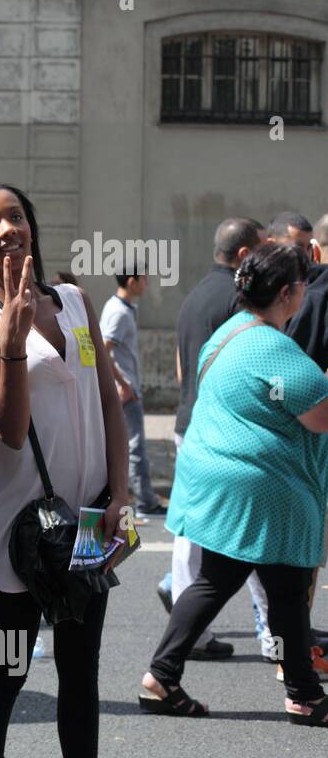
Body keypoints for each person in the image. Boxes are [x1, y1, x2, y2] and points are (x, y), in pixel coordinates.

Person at [0, 183, 129, 758]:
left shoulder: (77, 302)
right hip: (19, 535)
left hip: (86, 522)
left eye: (16, 216)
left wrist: (122, 489)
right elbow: (7, 427)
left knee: (81, 673)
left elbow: (108, 399)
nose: (7, 229)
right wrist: (14, 337)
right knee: (3, 676)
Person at [139, 242, 328, 727]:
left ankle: (163, 676)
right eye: (303, 284)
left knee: (222, 581)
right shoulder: (274, 347)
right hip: (261, 491)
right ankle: (303, 694)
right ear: (288, 293)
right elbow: (319, 418)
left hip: (221, 478)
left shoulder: (229, 332)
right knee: (279, 589)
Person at [167, 218, 266, 661]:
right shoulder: (238, 301)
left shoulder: (193, 296)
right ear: (245, 255)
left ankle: (183, 610)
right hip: (217, 429)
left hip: (187, 420)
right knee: (239, 534)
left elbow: (181, 366)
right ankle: (256, 631)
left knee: (190, 533)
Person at [100, 268, 165, 515]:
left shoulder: (122, 308)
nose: (146, 284)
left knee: (127, 446)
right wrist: (124, 385)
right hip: (126, 392)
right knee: (136, 448)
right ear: (132, 281)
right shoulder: (118, 312)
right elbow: (104, 351)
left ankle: (139, 498)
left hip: (127, 389)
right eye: (144, 279)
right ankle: (145, 501)